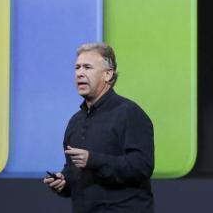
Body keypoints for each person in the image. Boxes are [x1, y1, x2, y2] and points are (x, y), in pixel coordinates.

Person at [43, 42, 155, 212]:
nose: (80, 73)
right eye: (77, 67)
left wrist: (92, 160)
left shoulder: (129, 113)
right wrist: (64, 181)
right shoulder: (75, 121)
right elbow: (74, 170)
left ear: (108, 75)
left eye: (87, 67)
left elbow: (142, 166)